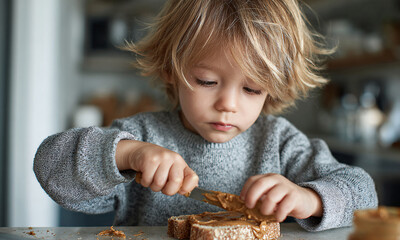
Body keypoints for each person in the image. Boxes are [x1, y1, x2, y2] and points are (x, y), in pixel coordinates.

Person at [34, 0, 378, 231]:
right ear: (171, 69)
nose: (228, 103)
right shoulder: (141, 137)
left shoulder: (280, 141)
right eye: (207, 81)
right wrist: (128, 155)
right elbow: (50, 167)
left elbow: (364, 195)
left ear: (273, 89)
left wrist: (310, 199)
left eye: (252, 89)